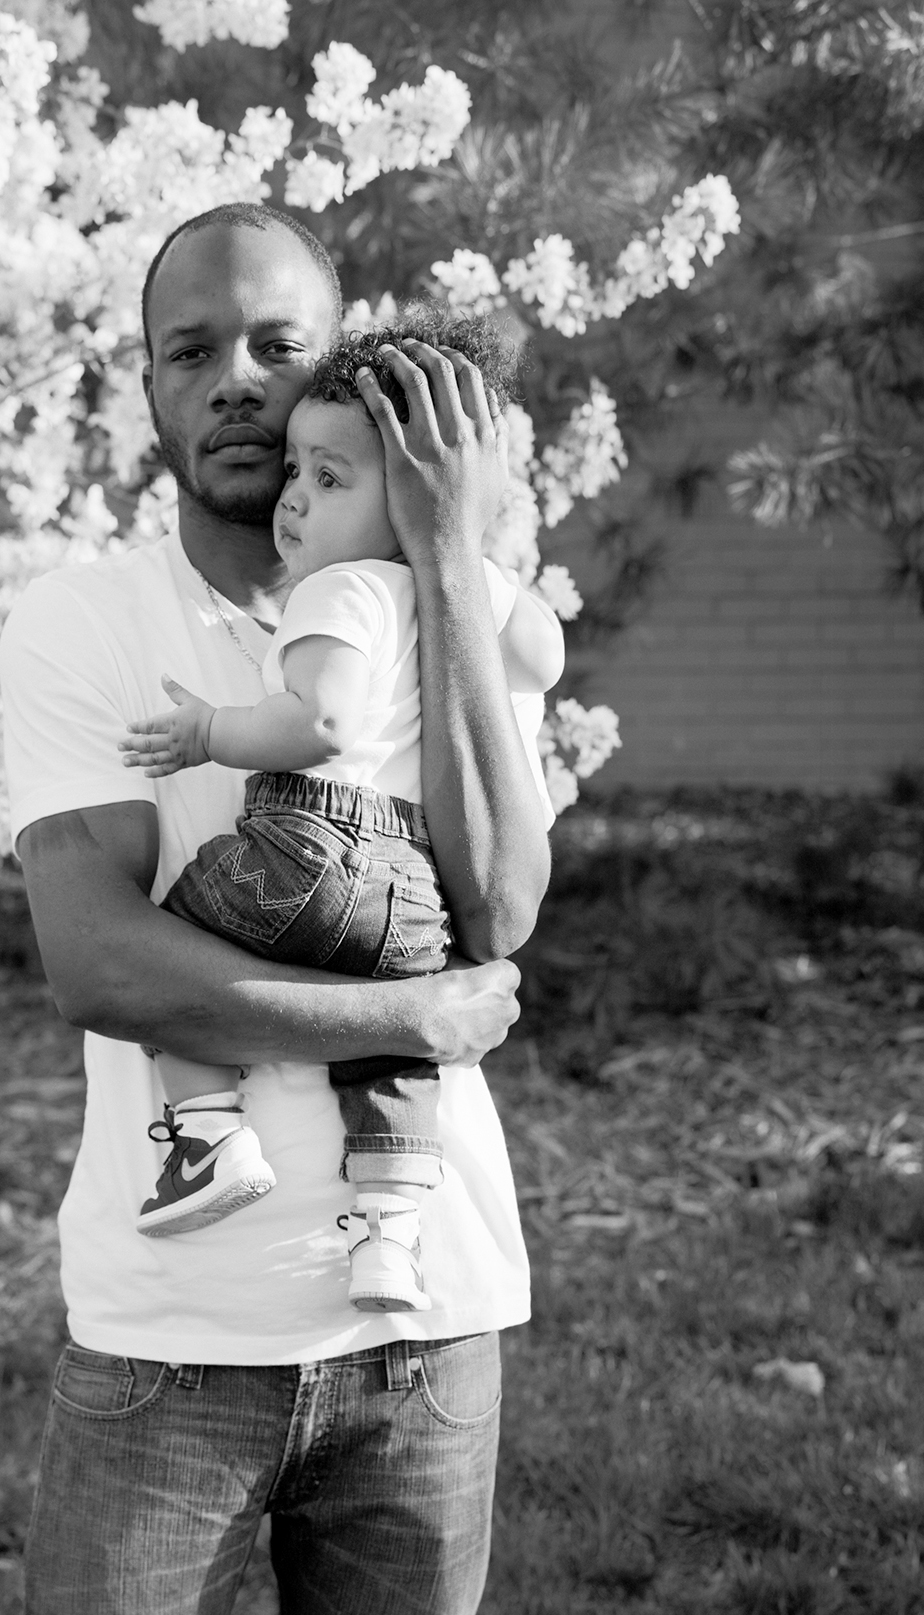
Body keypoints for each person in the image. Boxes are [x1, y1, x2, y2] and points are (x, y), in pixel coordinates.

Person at [0, 201, 553, 1615]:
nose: (232, 382)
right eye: (190, 351)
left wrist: (446, 565)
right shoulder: (85, 625)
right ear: (149, 390)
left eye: (273, 345)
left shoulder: (458, 611)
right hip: (174, 1336)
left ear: (345, 373)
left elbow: (499, 903)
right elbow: (103, 963)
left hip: (427, 1325)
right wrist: (410, 1015)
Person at [116, 309, 563, 1318]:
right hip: (413, 901)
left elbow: (320, 718)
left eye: (330, 478)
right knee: (394, 1051)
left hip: (310, 840)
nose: (294, 501)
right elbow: (543, 655)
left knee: (174, 941)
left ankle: (208, 1134)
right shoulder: (457, 593)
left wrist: (211, 734)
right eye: (297, 474)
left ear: (409, 501)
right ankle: (391, 1238)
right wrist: (470, 557)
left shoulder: (343, 592)